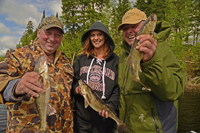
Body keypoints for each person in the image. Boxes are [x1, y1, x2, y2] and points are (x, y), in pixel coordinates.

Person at [0, 16, 74, 133]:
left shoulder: (66, 61)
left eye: (57, 35)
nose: (52, 38)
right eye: (48, 33)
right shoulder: (17, 54)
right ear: (39, 33)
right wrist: (16, 86)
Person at [117, 8, 186, 133]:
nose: (129, 31)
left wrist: (150, 62)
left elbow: (175, 91)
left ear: (145, 26)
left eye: (134, 26)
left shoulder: (161, 48)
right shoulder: (123, 57)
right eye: (125, 28)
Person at [72, 21, 119, 133]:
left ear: (106, 37)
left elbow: (117, 89)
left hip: (106, 123)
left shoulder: (116, 61)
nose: (96, 38)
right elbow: (73, 80)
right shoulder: (81, 59)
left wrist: (110, 106)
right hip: (82, 122)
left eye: (99, 34)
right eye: (92, 35)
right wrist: (76, 89)